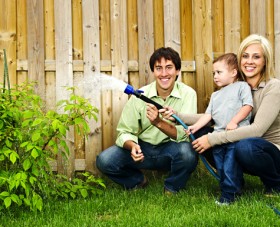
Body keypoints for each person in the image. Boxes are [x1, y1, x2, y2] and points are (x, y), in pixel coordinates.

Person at [177, 34, 280, 198]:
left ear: (265, 61)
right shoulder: (235, 88)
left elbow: (258, 130)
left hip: (270, 152)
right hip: (245, 147)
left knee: (244, 146)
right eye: (245, 56)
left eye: (256, 57)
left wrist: (212, 139)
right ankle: (235, 181)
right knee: (200, 133)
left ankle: (275, 184)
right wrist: (176, 115)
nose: (249, 61)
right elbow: (214, 116)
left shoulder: (273, 87)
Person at [96, 47, 198, 194]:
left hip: (170, 151)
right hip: (143, 150)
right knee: (104, 160)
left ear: (177, 71)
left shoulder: (188, 94)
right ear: (153, 71)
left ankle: (172, 187)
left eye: (169, 67)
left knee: (188, 153)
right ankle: (137, 181)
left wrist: (158, 122)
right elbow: (124, 131)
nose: (164, 73)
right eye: (158, 68)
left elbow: (184, 135)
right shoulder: (140, 96)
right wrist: (132, 146)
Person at [185, 53, 253, 205]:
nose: (215, 76)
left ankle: (228, 196)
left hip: (235, 137)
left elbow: (248, 106)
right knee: (221, 167)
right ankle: (234, 187)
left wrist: (235, 121)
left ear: (234, 73)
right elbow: (208, 115)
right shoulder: (215, 95)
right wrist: (194, 127)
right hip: (218, 137)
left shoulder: (242, 87)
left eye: (219, 72)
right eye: (213, 73)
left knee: (230, 165)